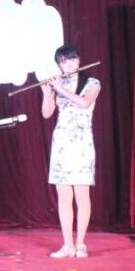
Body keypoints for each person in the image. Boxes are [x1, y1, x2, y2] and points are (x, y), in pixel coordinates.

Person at [41, 45, 101, 258]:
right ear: (59, 65)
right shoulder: (60, 83)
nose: (68, 64)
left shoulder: (92, 83)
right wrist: (47, 94)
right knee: (64, 196)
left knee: (82, 196)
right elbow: (47, 113)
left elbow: (84, 103)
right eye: (63, 62)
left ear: (78, 60)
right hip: (62, 145)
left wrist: (61, 89)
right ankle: (67, 245)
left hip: (82, 144)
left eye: (71, 59)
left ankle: (81, 244)